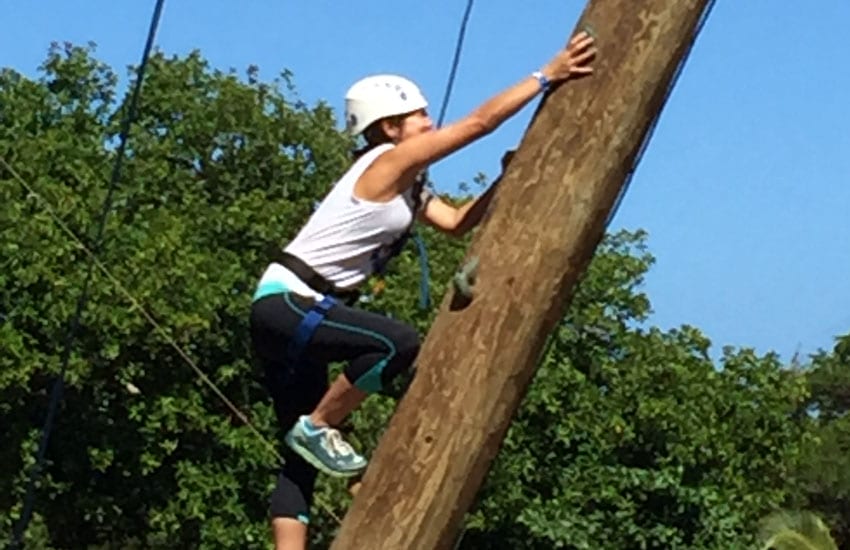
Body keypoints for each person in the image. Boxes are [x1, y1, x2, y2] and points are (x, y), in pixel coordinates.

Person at [249, 30, 596, 550]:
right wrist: (548, 74)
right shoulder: (383, 163)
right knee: (394, 343)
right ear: (389, 128)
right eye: (420, 117)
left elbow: (455, 222)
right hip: (290, 301)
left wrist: (506, 181)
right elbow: (479, 123)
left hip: (296, 312)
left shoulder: (410, 186)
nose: (430, 124)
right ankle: (322, 424)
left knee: (298, 461)